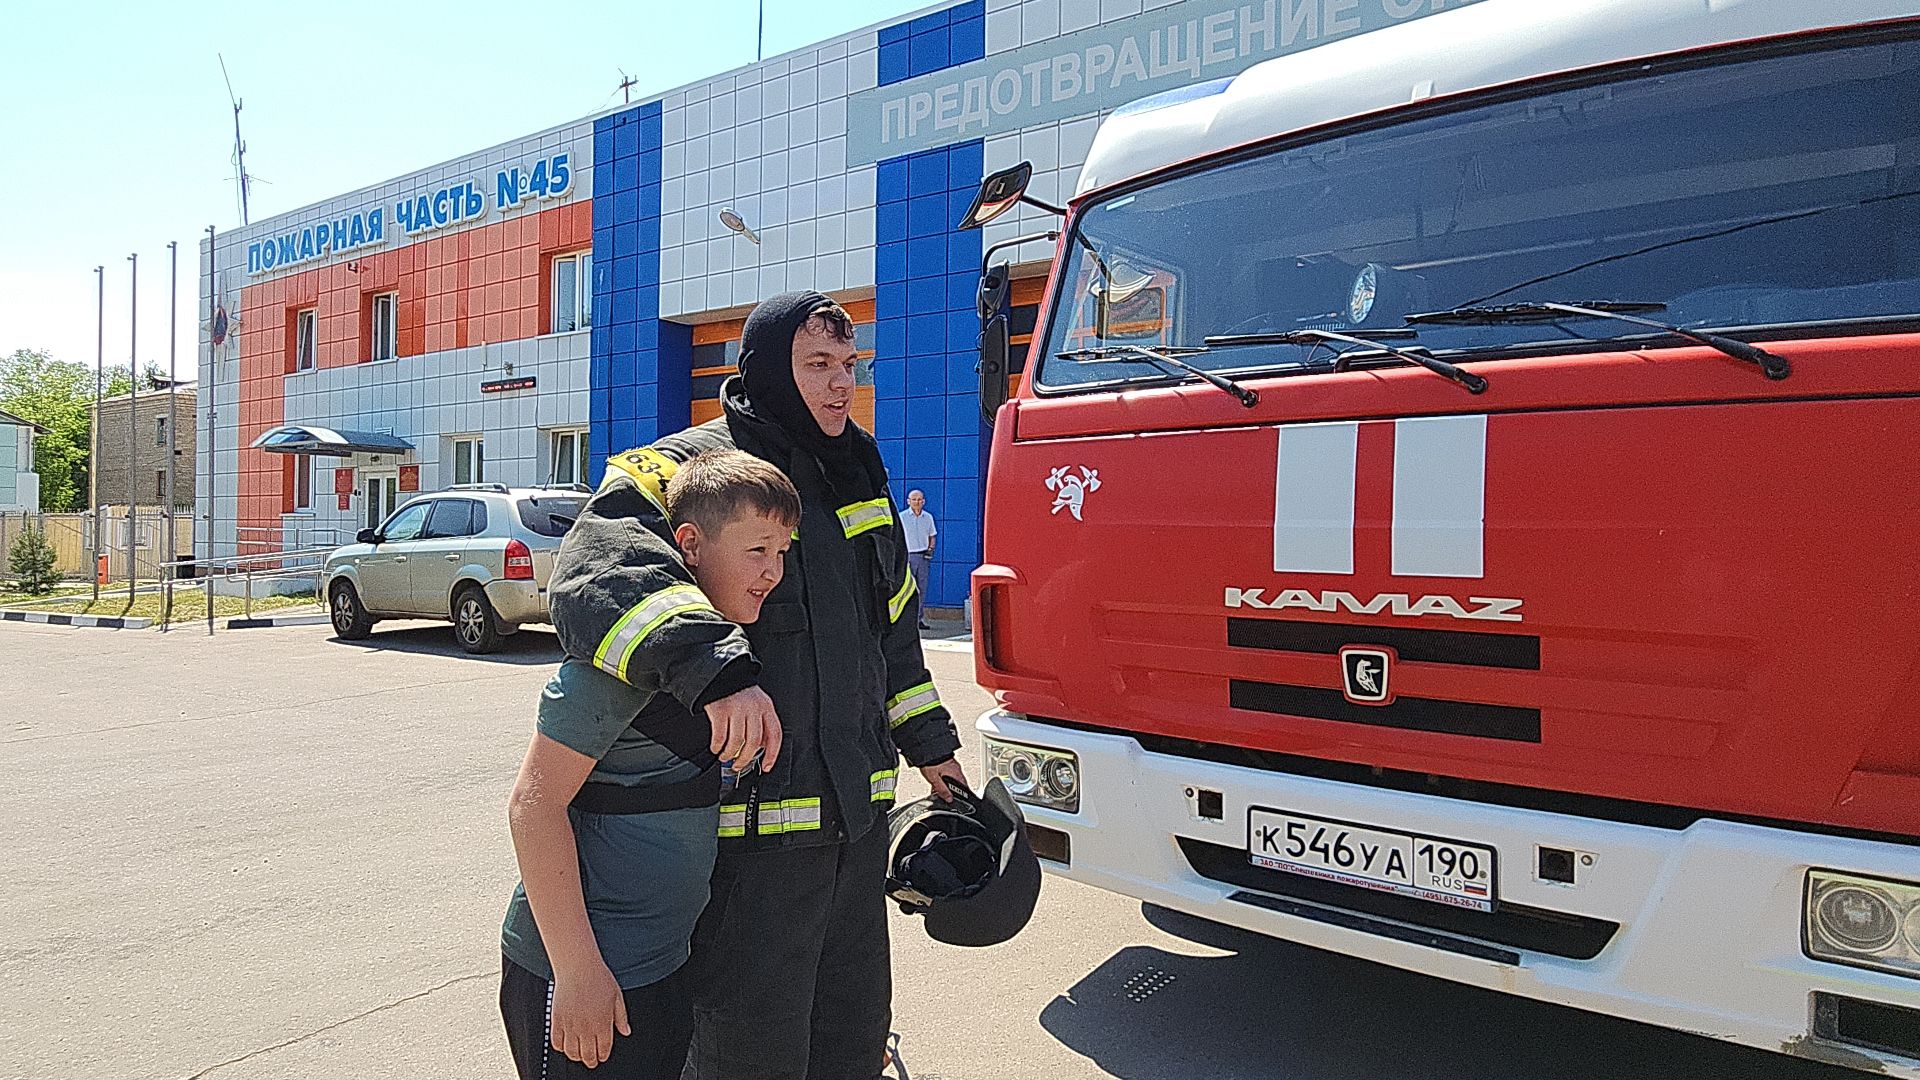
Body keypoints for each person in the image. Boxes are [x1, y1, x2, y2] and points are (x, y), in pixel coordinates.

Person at [570, 290, 966, 1080]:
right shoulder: (690, 466)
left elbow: (891, 635)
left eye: (849, 366)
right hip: (749, 858)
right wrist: (716, 668)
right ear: (765, 371)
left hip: (857, 839)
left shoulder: (855, 473)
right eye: (817, 364)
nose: (838, 384)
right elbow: (596, 565)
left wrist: (933, 748)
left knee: (852, 1043)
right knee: (749, 1058)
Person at [499, 449, 801, 1080]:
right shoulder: (624, 662)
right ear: (688, 544)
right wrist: (579, 972)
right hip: (591, 980)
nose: (774, 571)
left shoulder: (714, 658)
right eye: (756, 551)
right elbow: (532, 807)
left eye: (782, 552)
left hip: (661, 971)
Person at [900, 489, 937, 631]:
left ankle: (919, 619)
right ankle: (905, 621)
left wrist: (930, 550)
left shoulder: (928, 517)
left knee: (921, 589)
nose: (917, 502)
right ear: (908, 501)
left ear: (924, 501)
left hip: (922, 556)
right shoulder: (902, 517)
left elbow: (932, 535)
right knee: (907, 589)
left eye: (919, 499)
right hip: (907, 556)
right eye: (914, 499)